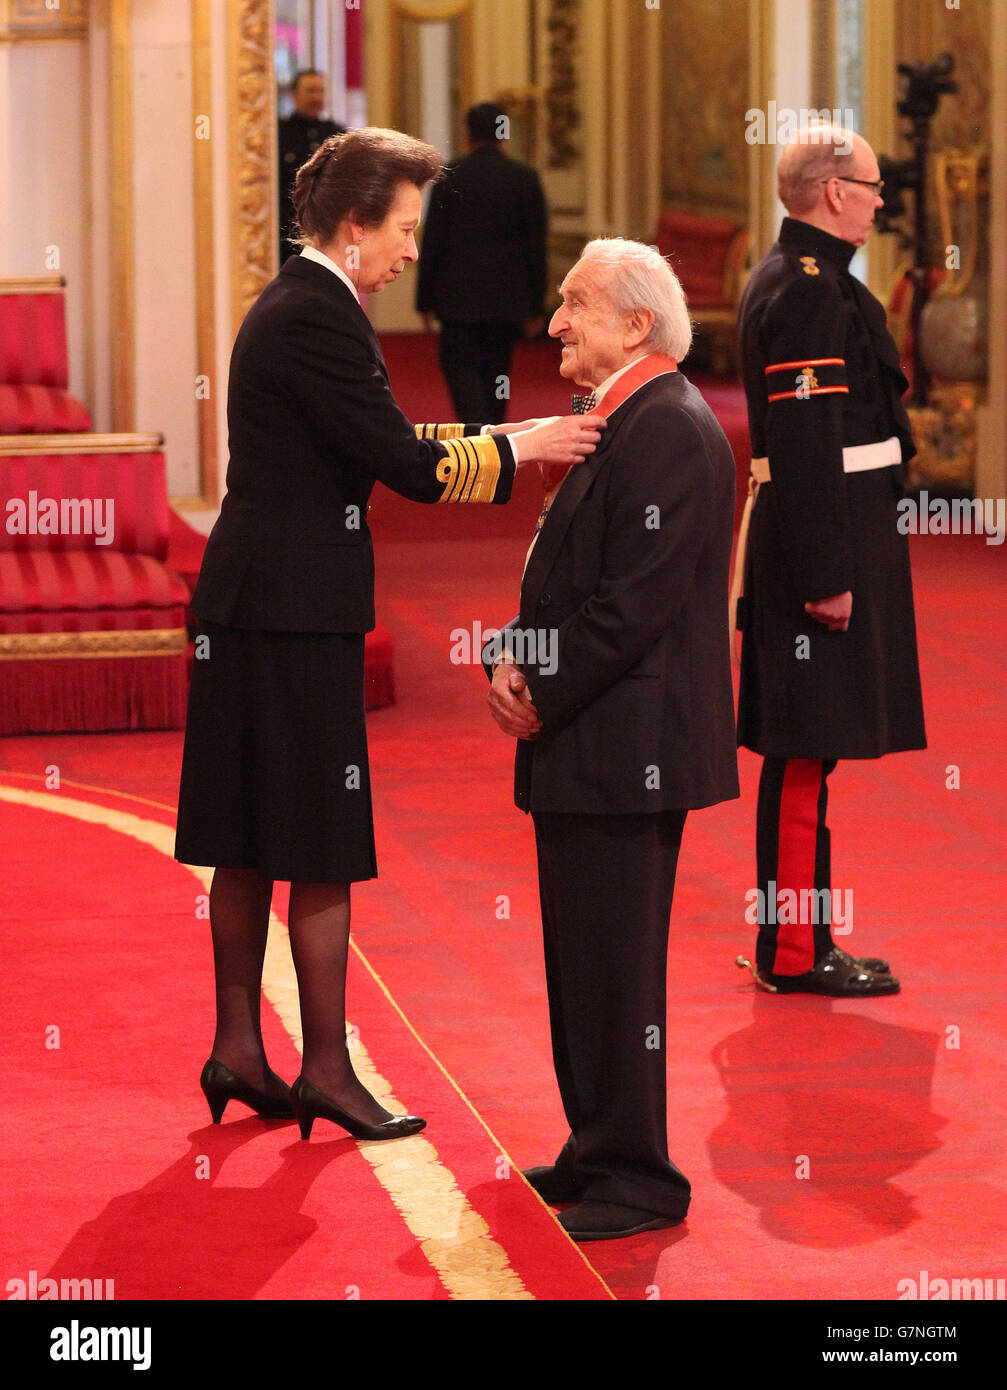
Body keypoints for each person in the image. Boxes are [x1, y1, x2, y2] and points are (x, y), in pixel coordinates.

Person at [174, 127, 604, 1143]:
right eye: (404, 229)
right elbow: (401, 462)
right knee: (319, 840)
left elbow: (379, 443)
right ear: (356, 224)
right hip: (292, 613)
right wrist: (522, 443)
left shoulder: (300, 302)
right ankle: (325, 1067)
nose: (412, 251)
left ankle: (240, 1047)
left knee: (245, 837)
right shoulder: (320, 314)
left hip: (251, 603)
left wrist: (501, 441)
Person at [484, 238, 739, 1241]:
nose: (553, 324)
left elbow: (628, 608)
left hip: (623, 743)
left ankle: (639, 1176)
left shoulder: (665, 428)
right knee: (583, 959)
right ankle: (597, 1146)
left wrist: (534, 689)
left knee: (614, 965)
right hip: (590, 734)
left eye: (573, 305)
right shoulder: (621, 418)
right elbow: (565, 576)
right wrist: (513, 652)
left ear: (633, 324)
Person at [732, 123, 926, 997]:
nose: (881, 200)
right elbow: (809, 443)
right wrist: (826, 576)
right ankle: (793, 953)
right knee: (806, 750)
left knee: (813, 750)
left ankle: (803, 940)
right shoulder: (807, 290)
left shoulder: (811, 279)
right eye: (873, 186)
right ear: (833, 190)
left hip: (838, 520)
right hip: (823, 532)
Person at [416, 101, 547, 424]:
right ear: (503, 134)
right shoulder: (524, 178)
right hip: (506, 300)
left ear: (467, 133)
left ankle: (474, 430)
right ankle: (495, 429)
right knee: (498, 373)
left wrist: (424, 300)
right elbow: (535, 246)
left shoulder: (450, 178)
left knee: (462, 370)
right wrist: (535, 305)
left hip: (457, 298)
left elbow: (433, 242)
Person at [278, 70, 345, 259]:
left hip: (325, 230)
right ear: (294, 94)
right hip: (286, 230)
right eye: (310, 90)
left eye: (320, 91)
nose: (316, 97)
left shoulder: (336, 134)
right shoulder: (279, 133)